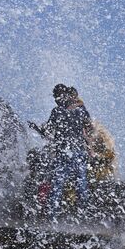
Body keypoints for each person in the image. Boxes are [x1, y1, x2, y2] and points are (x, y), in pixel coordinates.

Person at [28, 84, 92, 219]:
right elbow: (89, 129)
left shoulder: (57, 111)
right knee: (81, 185)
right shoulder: (81, 111)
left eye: (56, 96)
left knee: (57, 185)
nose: (55, 99)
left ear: (63, 96)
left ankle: (52, 219)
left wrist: (35, 128)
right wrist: (88, 145)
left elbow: (47, 133)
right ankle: (84, 217)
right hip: (79, 152)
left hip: (64, 152)